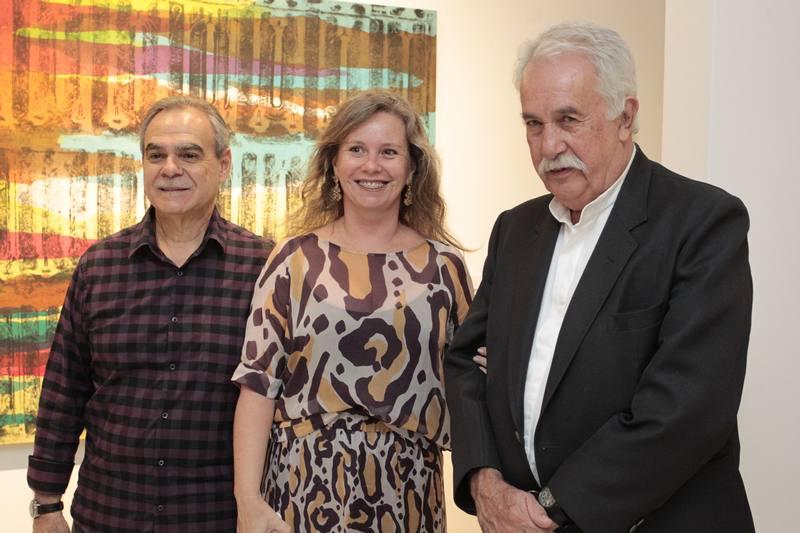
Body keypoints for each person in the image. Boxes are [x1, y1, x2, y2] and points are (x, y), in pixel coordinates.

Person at [445, 21, 754, 533]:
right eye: (533, 124)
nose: (549, 145)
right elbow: (465, 365)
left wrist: (550, 509)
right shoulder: (515, 229)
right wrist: (484, 483)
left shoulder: (702, 222)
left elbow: (686, 408)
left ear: (625, 117)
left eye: (568, 119)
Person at [27, 95, 273, 532]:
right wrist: (46, 506)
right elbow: (64, 391)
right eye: (156, 155)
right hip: (108, 514)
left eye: (189, 155)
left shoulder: (265, 268)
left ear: (223, 164)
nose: (169, 168)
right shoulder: (99, 266)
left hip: (216, 518)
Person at [231, 91, 473, 533]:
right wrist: (248, 503)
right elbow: (258, 385)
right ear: (334, 163)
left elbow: (473, 381)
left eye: (389, 152)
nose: (371, 165)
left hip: (408, 493)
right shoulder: (293, 261)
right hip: (301, 488)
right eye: (357, 149)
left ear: (412, 167)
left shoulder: (445, 269)